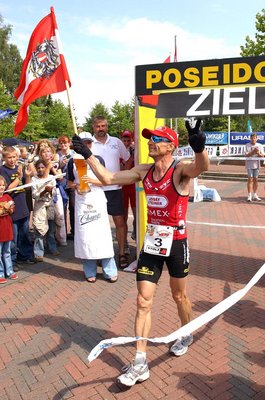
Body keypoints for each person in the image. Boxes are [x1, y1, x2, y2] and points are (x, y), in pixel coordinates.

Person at [72, 119, 209, 386]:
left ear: (170, 145)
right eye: (149, 139)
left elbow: (200, 167)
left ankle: (186, 332)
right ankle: (140, 361)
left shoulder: (179, 170)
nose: (150, 142)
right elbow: (109, 178)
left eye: (156, 139)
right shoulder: (143, 170)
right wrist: (87, 154)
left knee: (179, 295)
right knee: (143, 301)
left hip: (177, 243)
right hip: (152, 244)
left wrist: (199, 147)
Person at [67, 131, 118, 283]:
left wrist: (92, 181)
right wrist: (76, 185)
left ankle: (109, 270)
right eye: (83, 142)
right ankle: (89, 270)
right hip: (82, 200)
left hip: (97, 197)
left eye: (89, 142)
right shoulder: (72, 162)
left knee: (102, 235)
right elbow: (69, 182)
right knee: (86, 236)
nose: (86, 145)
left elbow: (106, 180)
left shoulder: (99, 159)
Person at [91, 116, 131, 269]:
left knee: (120, 223)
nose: (101, 129)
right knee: (98, 225)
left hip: (115, 189)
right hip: (97, 190)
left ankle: (121, 253)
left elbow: (127, 159)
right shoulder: (89, 144)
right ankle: (101, 254)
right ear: (93, 127)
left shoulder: (116, 142)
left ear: (107, 126)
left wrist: (123, 175)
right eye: (98, 126)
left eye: (103, 126)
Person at [0, 146, 35, 267]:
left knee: (24, 233)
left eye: (14, 157)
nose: (12, 160)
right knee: (13, 238)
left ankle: (26, 256)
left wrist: (28, 175)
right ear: (4, 158)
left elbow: (27, 186)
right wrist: (19, 177)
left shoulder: (19, 168)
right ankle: (12, 261)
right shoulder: (2, 171)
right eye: (9, 157)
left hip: (23, 206)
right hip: (11, 209)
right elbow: (7, 190)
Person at [31, 160, 60, 262]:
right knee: (39, 229)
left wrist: (50, 190)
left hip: (50, 205)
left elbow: (55, 192)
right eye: (38, 168)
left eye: (42, 167)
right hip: (40, 206)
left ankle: (52, 247)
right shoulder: (34, 179)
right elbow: (34, 195)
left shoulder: (51, 178)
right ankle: (38, 253)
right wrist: (44, 191)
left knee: (51, 229)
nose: (40, 169)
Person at [57, 135, 76, 239]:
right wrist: (61, 164)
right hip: (62, 184)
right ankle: (63, 233)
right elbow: (55, 169)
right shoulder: (57, 155)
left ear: (69, 143)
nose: (63, 145)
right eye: (61, 143)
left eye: (65, 143)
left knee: (73, 207)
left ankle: (74, 231)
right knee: (62, 208)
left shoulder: (74, 154)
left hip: (72, 183)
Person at [120, 130, 136, 249]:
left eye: (128, 140)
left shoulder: (136, 152)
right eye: (124, 140)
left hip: (135, 188)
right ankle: (124, 243)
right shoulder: (119, 154)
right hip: (123, 187)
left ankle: (136, 232)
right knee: (123, 218)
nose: (126, 143)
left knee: (137, 216)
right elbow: (124, 169)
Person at [0, 175, 17, 283]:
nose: (1, 187)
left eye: (2, 185)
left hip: (7, 229)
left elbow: (12, 212)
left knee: (7, 251)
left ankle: (9, 271)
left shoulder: (7, 197)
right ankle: (1, 272)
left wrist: (9, 208)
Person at [245, 132, 264, 202]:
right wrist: (253, 151)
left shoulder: (260, 145)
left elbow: (262, 155)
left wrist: (258, 153)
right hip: (249, 164)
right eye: (252, 138)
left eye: (254, 138)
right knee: (250, 179)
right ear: (250, 139)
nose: (253, 139)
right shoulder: (247, 145)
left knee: (256, 179)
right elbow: (247, 155)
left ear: (256, 139)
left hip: (257, 164)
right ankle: (249, 195)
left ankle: (255, 194)